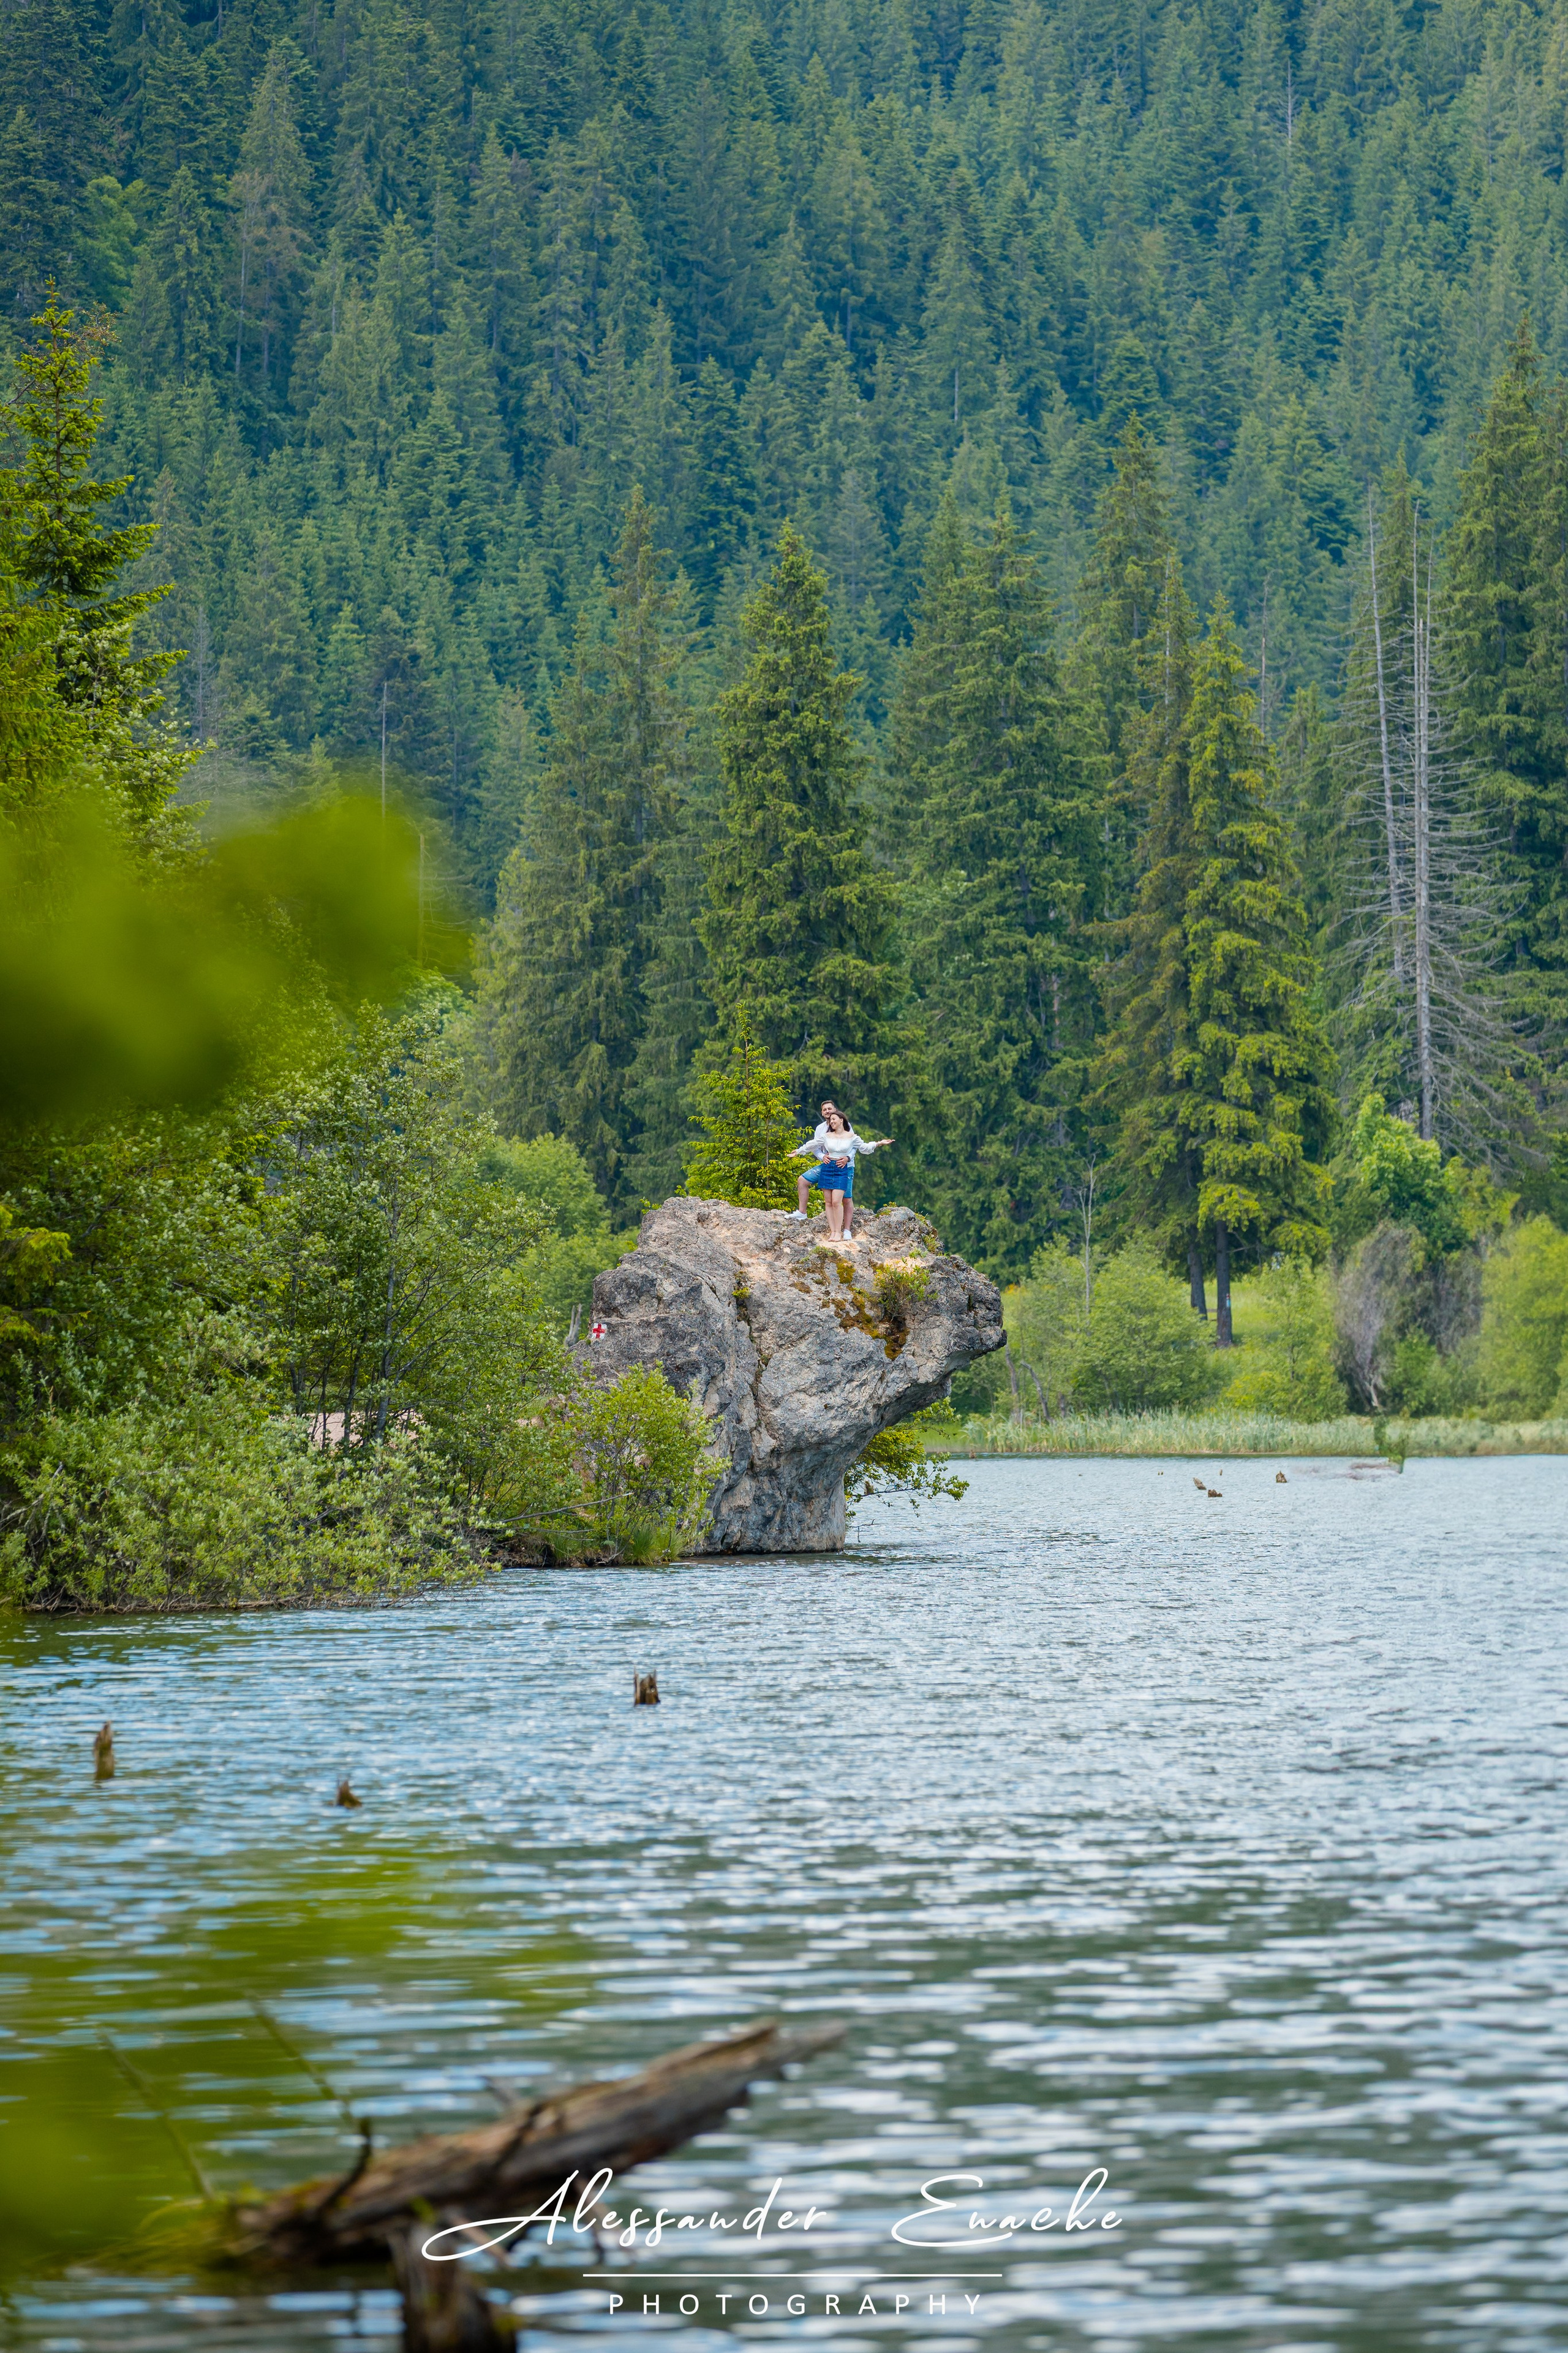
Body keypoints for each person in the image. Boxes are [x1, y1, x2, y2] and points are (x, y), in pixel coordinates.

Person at [787, 1108, 894, 1241]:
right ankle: (833, 1232)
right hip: (827, 1167)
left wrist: (879, 1143)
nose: (831, 1122)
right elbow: (812, 1145)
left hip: (841, 1168)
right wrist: (798, 1151)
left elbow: (864, 1148)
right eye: (830, 1120)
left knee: (837, 1201)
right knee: (828, 1202)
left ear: (841, 1120)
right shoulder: (827, 1136)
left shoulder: (852, 1137)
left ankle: (839, 1232)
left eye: (834, 1119)